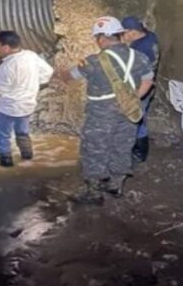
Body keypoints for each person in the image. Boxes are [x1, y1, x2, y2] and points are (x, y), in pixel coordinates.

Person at [61, 16, 154, 205]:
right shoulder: (139, 57)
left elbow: (70, 77)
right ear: (119, 35)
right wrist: (134, 98)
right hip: (129, 111)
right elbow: (148, 81)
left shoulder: (92, 62)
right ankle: (116, 185)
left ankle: (93, 193)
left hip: (101, 114)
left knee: (94, 149)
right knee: (122, 146)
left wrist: (59, 72)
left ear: (102, 38)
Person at [0, 31, 54, 167]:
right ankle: (28, 159)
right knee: (23, 133)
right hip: (27, 106)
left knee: (2, 139)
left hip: (7, 109)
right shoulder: (31, 56)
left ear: (5, 47)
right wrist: (31, 83)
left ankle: (7, 167)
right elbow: (48, 74)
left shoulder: (5, 68)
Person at [121, 15, 159, 163]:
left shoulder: (140, 49)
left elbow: (138, 72)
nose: (121, 36)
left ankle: (139, 153)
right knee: (139, 118)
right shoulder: (149, 37)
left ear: (132, 32)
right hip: (146, 85)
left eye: (123, 32)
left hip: (141, 88)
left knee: (136, 119)